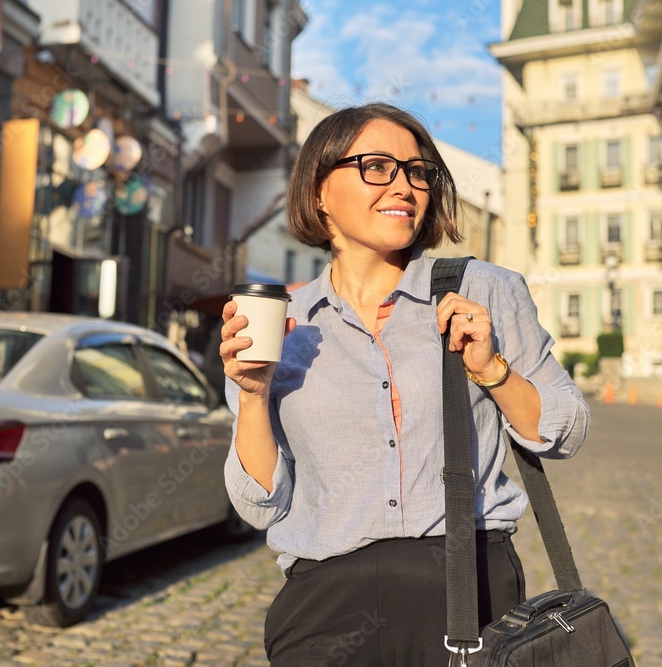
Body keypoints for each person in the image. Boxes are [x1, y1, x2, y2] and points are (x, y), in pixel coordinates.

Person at [220, 102, 589, 666]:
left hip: (469, 593)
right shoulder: (279, 322)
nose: (404, 186)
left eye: (417, 172)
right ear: (318, 190)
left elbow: (565, 430)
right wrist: (251, 395)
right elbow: (261, 505)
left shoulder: (484, 291)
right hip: (324, 610)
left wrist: (494, 372)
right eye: (376, 166)